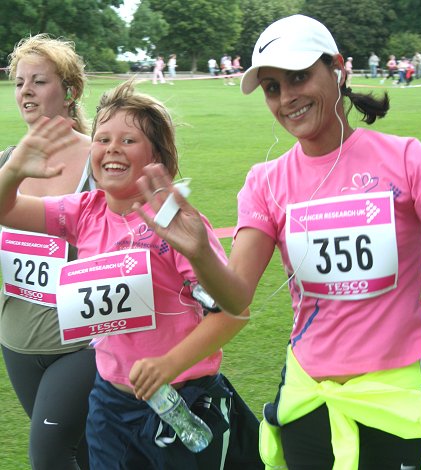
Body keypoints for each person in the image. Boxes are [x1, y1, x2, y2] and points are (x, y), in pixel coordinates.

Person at [133, 14, 421, 470]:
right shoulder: (266, 182)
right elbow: (236, 297)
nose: (287, 98)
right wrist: (198, 250)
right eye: (272, 87)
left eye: (299, 77)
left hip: (394, 398)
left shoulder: (408, 160)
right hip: (307, 398)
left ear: (338, 68)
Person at [0, 80, 263, 470]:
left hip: (183, 401)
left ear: (160, 159)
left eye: (128, 140)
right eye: (102, 138)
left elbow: (231, 312)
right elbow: (6, 209)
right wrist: (14, 169)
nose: (111, 149)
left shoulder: (178, 225)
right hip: (111, 404)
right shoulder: (83, 211)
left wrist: (169, 364)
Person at [0, 34, 97, 470]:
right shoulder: (5, 161)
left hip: (82, 346)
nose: (25, 92)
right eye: (19, 82)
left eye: (38, 81)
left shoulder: (101, 159)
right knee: (88, 452)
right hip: (16, 341)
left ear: (71, 90)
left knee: (50, 454)